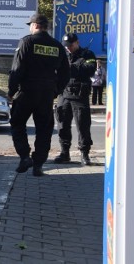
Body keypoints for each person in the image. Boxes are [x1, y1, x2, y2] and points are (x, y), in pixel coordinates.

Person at [8, 13, 69, 176]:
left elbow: (16, 70)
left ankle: (24, 156)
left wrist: (11, 91)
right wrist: (56, 90)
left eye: (30, 25)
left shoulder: (26, 42)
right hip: (46, 94)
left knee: (17, 123)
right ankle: (38, 165)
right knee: (44, 129)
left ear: (35, 25)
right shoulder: (57, 46)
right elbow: (65, 73)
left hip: (26, 92)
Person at [53, 33, 97, 166]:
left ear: (77, 42)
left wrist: (71, 67)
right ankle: (64, 153)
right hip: (64, 94)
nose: (68, 48)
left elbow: (90, 69)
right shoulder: (62, 54)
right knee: (62, 124)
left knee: (83, 126)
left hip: (80, 95)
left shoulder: (87, 54)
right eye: (66, 46)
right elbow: (56, 71)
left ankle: (84, 154)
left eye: (71, 45)